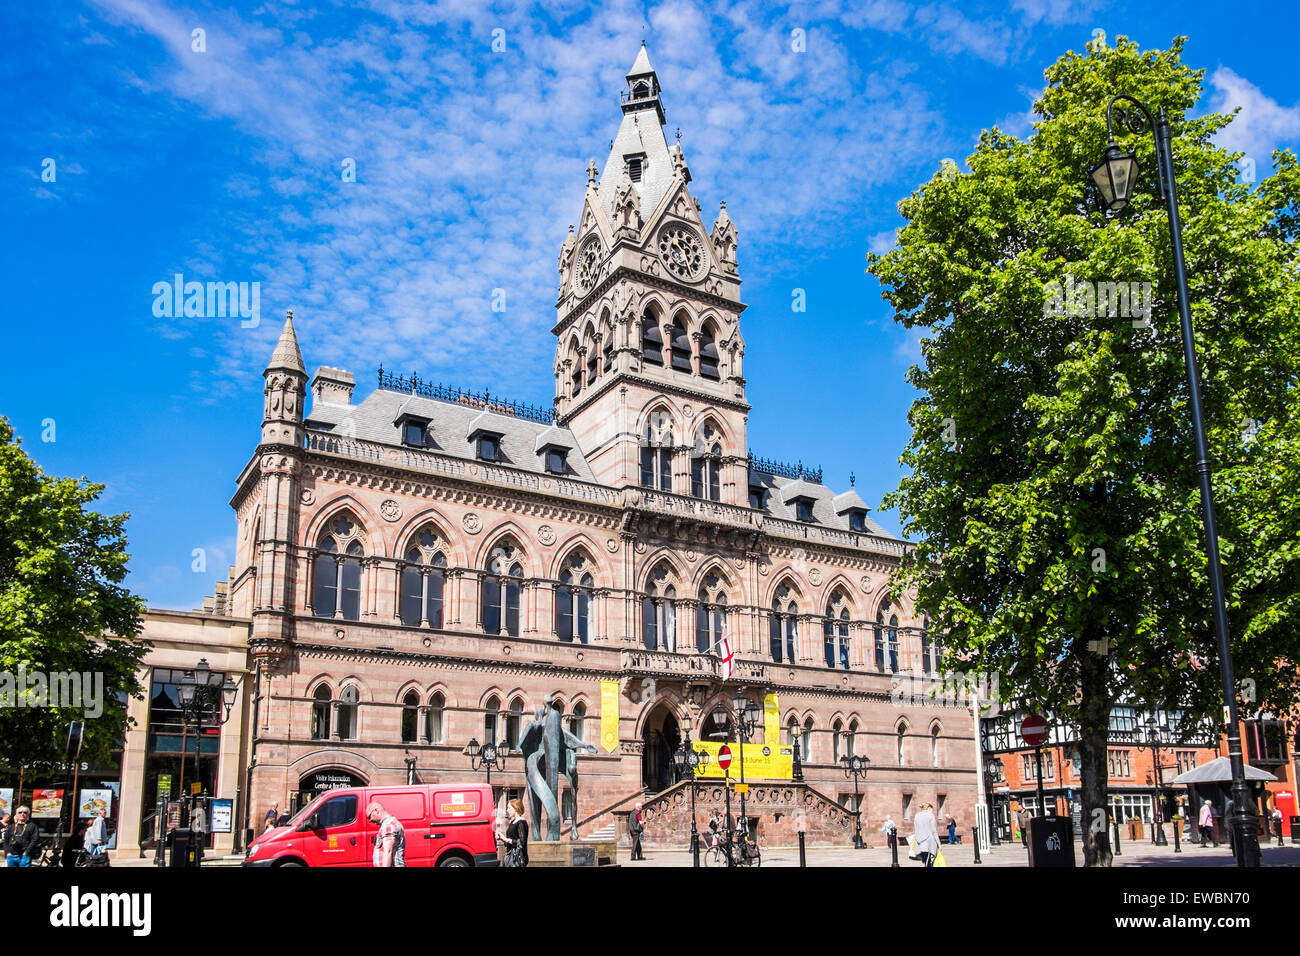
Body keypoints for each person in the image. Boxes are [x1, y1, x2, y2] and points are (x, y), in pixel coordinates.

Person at [367, 800, 405, 867]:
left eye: (370, 817)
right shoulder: (388, 824)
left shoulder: (389, 825)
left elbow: (388, 851)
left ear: (376, 810)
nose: (370, 821)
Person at [498, 798, 528, 867]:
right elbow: (511, 840)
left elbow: (522, 842)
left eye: (509, 808)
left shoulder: (521, 822)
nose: (507, 810)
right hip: (511, 857)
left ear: (516, 809)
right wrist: (502, 838)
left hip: (518, 858)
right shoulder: (512, 822)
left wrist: (506, 839)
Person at [912, 802, 940, 867]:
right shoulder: (930, 816)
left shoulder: (917, 815)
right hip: (929, 842)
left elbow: (916, 828)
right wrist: (939, 844)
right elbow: (934, 831)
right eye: (932, 809)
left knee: (925, 861)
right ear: (929, 808)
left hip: (919, 842)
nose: (932, 811)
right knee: (930, 862)